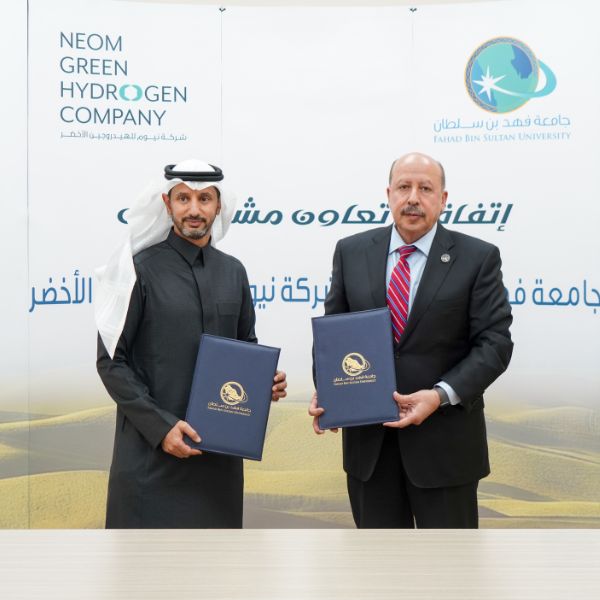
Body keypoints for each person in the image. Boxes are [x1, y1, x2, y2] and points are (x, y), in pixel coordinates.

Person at [309, 152, 513, 528]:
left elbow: (495, 343)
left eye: (425, 188)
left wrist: (439, 395)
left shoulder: (478, 257)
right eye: (404, 187)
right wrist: (330, 392)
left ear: (443, 199)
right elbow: (333, 335)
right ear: (389, 194)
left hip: (445, 449)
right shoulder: (351, 252)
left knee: (449, 563)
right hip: (370, 450)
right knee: (378, 563)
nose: (413, 198)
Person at [95, 159, 287, 528]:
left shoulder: (234, 271)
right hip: (150, 459)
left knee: (217, 563)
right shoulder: (137, 270)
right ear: (167, 204)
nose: (194, 210)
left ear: (219, 205)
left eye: (204, 199)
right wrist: (162, 428)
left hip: (218, 465)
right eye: (183, 198)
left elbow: (245, 347)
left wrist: (263, 382)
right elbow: (111, 362)